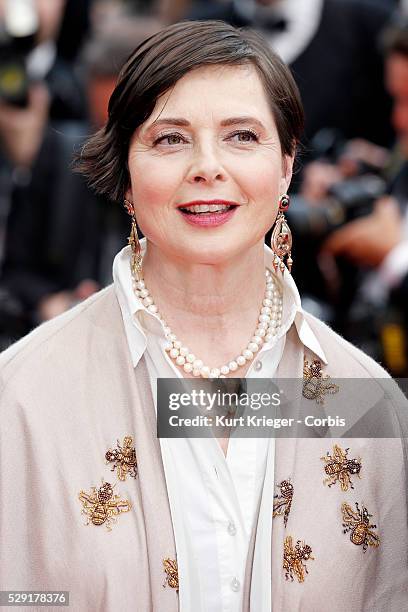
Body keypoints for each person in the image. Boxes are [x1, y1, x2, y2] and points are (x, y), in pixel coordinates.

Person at [0, 20, 407, 612]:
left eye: (242, 136)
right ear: (127, 178)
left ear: (288, 165)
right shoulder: (23, 398)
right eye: (170, 139)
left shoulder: (369, 403)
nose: (207, 166)